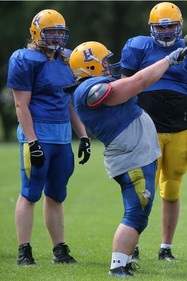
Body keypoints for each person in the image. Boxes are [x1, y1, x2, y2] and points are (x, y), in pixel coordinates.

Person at [67, 41, 184, 276]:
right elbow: (139, 82)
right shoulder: (87, 89)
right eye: (104, 62)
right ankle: (117, 267)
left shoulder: (92, 84)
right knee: (135, 212)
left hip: (137, 154)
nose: (109, 66)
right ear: (89, 67)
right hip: (131, 157)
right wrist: (168, 60)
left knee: (140, 211)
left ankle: (125, 261)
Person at [120, 1, 187, 261]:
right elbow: (124, 89)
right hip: (145, 128)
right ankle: (131, 245)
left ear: (180, 27)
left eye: (171, 26)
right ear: (151, 28)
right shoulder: (138, 46)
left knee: (171, 190)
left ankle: (165, 248)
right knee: (141, 190)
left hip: (180, 128)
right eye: (161, 27)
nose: (167, 32)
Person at [7, 9, 91, 266]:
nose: (56, 37)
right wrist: (32, 142)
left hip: (62, 138)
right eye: (50, 32)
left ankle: (59, 250)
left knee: (56, 195)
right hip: (38, 136)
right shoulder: (25, 59)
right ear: (36, 33)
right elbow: (21, 105)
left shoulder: (67, 58)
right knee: (30, 193)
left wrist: (83, 136)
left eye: (59, 32)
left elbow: (69, 102)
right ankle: (24, 250)